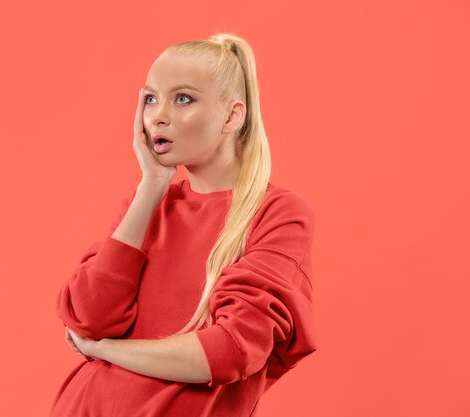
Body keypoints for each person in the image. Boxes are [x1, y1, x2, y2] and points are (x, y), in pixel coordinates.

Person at [49, 32, 318, 417]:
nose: (158, 115)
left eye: (183, 99)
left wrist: (105, 350)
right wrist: (152, 186)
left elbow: (229, 351)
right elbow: (89, 317)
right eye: (151, 99)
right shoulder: (149, 206)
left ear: (232, 116)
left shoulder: (279, 213)